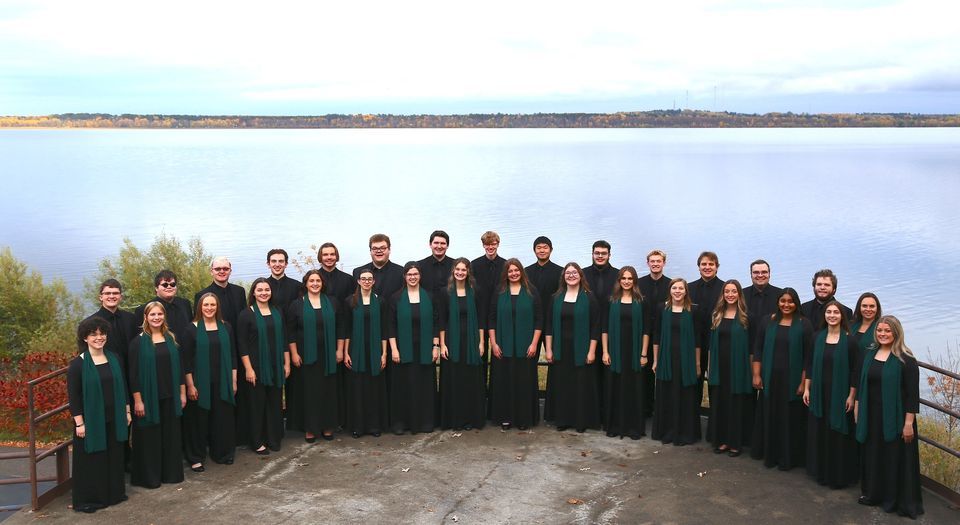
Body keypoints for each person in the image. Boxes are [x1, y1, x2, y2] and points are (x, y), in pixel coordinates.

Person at [854, 315, 924, 518]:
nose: (882, 334)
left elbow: (912, 395)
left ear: (896, 333)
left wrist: (908, 423)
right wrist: (858, 408)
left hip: (896, 418)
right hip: (872, 416)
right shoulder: (870, 354)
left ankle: (892, 499)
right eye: (879, 331)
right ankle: (873, 494)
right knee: (873, 456)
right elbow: (862, 384)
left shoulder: (906, 360)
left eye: (887, 331)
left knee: (894, 459)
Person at [67, 317, 130, 513]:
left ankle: (114, 494)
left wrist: (127, 411)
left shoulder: (114, 358)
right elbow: (74, 397)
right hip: (91, 422)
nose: (99, 337)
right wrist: (79, 423)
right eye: (93, 334)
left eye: (102, 333)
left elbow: (123, 386)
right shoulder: (78, 365)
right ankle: (91, 499)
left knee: (113, 457)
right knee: (93, 461)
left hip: (115, 417)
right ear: (85, 338)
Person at [750, 287, 812, 471]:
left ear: (796, 303)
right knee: (770, 416)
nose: (786, 304)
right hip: (770, 379)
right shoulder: (767, 321)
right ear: (778, 302)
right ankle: (770, 455)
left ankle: (788, 458)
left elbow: (808, 358)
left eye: (790, 301)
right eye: (783, 301)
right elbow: (758, 349)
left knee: (789, 420)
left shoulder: (804, 324)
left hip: (792, 381)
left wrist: (803, 382)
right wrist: (756, 374)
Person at [128, 301, 186, 488]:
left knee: (170, 437)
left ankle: (171, 474)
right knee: (149, 439)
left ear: (164, 317)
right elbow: (133, 375)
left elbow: (180, 370)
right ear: (146, 317)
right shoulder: (137, 343)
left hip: (170, 396)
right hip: (148, 398)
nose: (156, 318)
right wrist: (138, 401)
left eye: (159, 314)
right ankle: (150, 478)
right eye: (152, 315)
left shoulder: (171, 338)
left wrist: (182, 393)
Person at [802, 301, 860, 488]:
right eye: (829, 312)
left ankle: (838, 476)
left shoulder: (850, 340)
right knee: (820, 431)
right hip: (819, 392)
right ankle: (821, 472)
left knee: (837, 434)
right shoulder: (817, 337)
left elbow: (854, 371)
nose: (832, 315)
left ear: (842, 316)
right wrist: (807, 388)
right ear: (824, 315)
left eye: (836, 312)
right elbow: (809, 364)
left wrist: (851, 396)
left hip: (840, 394)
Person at [182, 293, 237, 471]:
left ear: (217, 307)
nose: (209, 308)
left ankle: (223, 453)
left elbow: (233, 356)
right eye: (206, 304)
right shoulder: (191, 329)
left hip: (223, 381)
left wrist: (234, 381)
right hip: (199, 383)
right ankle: (196, 457)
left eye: (213, 304)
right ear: (200, 307)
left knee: (223, 419)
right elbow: (186, 361)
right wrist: (190, 385)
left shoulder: (226, 327)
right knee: (198, 421)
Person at [286, 270, 344, 442]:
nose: (315, 283)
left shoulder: (332, 302)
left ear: (322, 283)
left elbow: (341, 327)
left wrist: (339, 350)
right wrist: (294, 354)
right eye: (311, 281)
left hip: (328, 355)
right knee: (310, 392)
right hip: (306, 356)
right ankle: (310, 428)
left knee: (328, 391)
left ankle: (327, 426)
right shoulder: (296, 305)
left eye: (318, 280)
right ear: (305, 283)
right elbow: (291, 332)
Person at [544, 263, 601, 433]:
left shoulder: (589, 298)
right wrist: (548, 349)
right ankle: (563, 420)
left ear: (581, 276)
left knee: (580, 385)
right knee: (563, 385)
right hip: (561, 349)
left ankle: (580, 421)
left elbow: (595, 326)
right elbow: (549, 325)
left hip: (581, 349)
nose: (571, 275)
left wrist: (591, 351)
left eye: (574, 272)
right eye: (568, 273)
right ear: (563, 276)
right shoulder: (556, 298)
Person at [237, 278, 290, 455]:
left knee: (274, 404)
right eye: (259, 290)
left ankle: (273, 439)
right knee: (257, 405)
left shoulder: (277, 312)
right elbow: (242, 344)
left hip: (276, 365)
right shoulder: (246, 314)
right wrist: (249, 369)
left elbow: (283, 340)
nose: (264, 293)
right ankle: (257, 441)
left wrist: (287, 362)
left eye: (267, 289)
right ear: (253, 292)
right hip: (256, 367)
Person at [488, 258, 542, 431]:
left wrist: (534, 344)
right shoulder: (499, 291)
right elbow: (491, 319)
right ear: (506, 273)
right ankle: (505, 417)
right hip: (502, 348)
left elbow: (539, 320)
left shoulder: (531, 291)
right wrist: (494, 344)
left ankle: (523, 418)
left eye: (516, 270)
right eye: (510, 271)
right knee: (504, 383)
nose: (513, 273)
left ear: (521, 271)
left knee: (523, 383)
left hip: (525, 347)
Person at [387, 262, 440, 434]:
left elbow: (435, 323)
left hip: (424, 349)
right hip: (403, 350)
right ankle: (401, 423)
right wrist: (394, 349)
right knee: (403, 386)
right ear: (404, 276)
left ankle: (425, 421)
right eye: (409, 274)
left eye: (415, 274)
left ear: (420, 276)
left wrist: (435, 346)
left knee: (424, 387)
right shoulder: (396, 298)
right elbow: (391, 326)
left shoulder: (430, 297)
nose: (412, 277)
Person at [600, 266, 650, 439]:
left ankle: (633, 428)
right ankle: (614, 426)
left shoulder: (641, 301)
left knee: (633, 389)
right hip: (615, 351)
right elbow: (604, 328)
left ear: (634, 281)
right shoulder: (611, 300)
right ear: (619, 280)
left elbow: (646, 330)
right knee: (615, 387)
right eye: (624, 278)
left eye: (630, 278)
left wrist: (643, 354)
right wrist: (605, 351)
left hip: (634, 352)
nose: (627, 281)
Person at [705, 280, 753, 457]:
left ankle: (735, 443)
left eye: (734, 291)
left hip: (738, 367)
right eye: (727, 292)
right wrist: (710, 367)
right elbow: (711, 344)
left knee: (735, 405)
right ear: (723, 294)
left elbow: (751, 347)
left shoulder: (746, 317)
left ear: (739, 294)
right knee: (721, 404)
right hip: (720, 366)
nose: (730, 295)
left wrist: (750, 370)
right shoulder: (717, 314)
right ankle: (722, 441)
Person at [651, 278, 702, 446]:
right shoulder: (662, 309)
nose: (678, 291)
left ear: (686, 291)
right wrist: (656, 360)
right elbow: (656, 336)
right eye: (675, 288)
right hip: (666, 359)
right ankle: (667, 431)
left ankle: (685, 433)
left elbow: (697, 341)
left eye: (681, 288)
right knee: (667, 395)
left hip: (686, 360)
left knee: (685, 396)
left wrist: (697, 364)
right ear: (670, 290)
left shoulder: (694, 311)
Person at [439, 258, 487, 430]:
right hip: (452, 342)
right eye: (457, 269)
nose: (460, 272)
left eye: (463, 270)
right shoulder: (445, 292)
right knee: (454, 380)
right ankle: (454, 419)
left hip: (471, 342)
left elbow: (481, 319)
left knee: (470, 381)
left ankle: (470, 419)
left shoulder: (476, 292)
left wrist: (481, 342)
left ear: (468, 273)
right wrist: (442, 345)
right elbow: (442, 321)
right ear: (453, 271)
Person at [343, 269, 388, 438]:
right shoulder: (350, 302)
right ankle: (358, 426)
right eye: (364, 279)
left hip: (375, 351)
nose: (367, 281)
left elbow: (385, 329)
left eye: (370, 279)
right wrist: (346, 352)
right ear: (358, 281)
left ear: (374, 282)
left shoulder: (380, 301)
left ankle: (374, 426)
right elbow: (346, 329)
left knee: (374, 389)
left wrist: (384, 354)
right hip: (356, 351)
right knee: (358, 389)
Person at [637, 249, 670, 416]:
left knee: (663, 371)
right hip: (642, 334)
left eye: (659, 261)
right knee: (643, 372)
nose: (656, 264)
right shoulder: (639, 284)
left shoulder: (671, 285)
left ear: (664, 263)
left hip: (665, 335)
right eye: (652, 261)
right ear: (648, 263)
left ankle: (662, 410)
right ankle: (645, 408)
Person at [688, 251, 723, 400]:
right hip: (693, 342)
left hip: (716, 343)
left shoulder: (725, 289)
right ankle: (692, 419)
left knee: (716, 383)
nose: (707, 267)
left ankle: (715, 420)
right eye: (704, 264)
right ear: (698, 267)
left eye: (711, 264)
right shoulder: (689, 288)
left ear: (717, 267)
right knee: (693, 382)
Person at [84, 279, 137, 370]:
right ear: (101, 297)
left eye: (115, 293)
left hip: (132, 371)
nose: (112, 296)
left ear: (121, 297)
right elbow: (85, 354)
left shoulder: (131, 319)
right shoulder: (89, 323)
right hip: (106, 372)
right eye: (107, 293)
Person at [134, 270, 193, 343]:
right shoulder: (143, 309)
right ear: (156, 288)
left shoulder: (185, 304)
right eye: (165, 285)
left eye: (173, 284)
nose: (169, 287)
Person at [193, 256, 247, 331]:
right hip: (217, 339)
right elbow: (198, 323)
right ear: (212, 272)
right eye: (217, 269)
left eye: (225, 269)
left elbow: (245, 318)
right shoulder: (201, 295)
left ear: (230, 271)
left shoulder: (239, 291)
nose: (222, 271)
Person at [742, 259, 783, 348]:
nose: (760, 275)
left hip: (774, 345)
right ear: (751, 275)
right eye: (756, 272)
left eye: (764, 272)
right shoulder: (741, 295)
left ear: (769, 274)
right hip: (746, 345)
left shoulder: (781, 295)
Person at [352, 233, 405, 300]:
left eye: (383, 248)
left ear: (389, 250)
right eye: (375, 248)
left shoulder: (401, 272)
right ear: (370, 251)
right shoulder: (357, 272)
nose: (379, 251)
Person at [524, 236, 562, 318]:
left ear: (551, 250)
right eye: (539, 248)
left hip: (552, 315)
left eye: (545, 247)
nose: (542, 251)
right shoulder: (526, 271)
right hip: (530, 315)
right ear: (534, 250)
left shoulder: (560, 271)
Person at [419, 230, 455, 298]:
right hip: (427, 306)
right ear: (430, 244)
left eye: (442, 243)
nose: (439, 246)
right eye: (436, 243)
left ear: (447, 246)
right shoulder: (420, 266)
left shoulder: (456, 266)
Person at [583, 240, 619, 305]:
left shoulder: (618, 275)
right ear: (592, 254)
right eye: (597, 253)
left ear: (609, 255)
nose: (600, 256)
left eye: (604, 253)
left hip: (611, 314)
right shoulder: (582, 274)